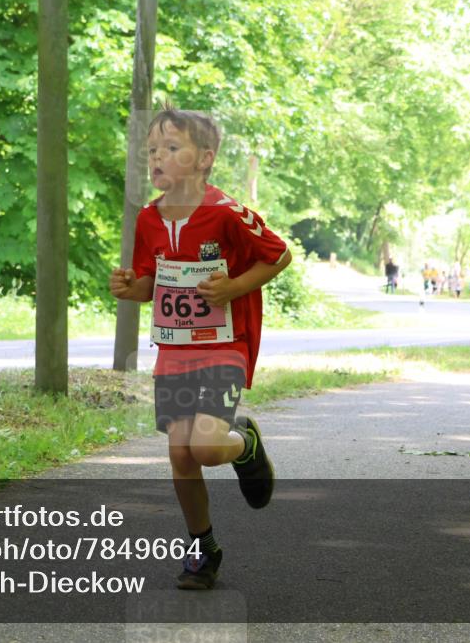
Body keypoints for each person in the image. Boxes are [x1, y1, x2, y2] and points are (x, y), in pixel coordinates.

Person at [110, 107, 290, 590]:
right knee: (181, 455)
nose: (158, 158)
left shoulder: (227, 212)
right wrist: (133, 287)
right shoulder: (149, 218)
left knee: (208, 446)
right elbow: (154, 281)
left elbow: (279, 255)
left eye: (171, 148)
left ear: (205, 158)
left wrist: (233, 287)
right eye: (152, 150)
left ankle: (245, 442)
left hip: (224, 343)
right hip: (174, 349)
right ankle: (202, 548)